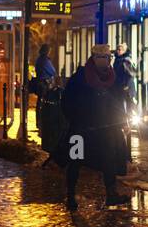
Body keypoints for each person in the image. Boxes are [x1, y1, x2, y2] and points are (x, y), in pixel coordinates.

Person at [50, 43, 130, 210]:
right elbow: (67, 101)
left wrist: (121, 120)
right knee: (75, 161)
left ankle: (111, 194)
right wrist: (76, 119)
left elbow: (118, 102)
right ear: (94, 59)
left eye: (108, 57)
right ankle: (70, 196)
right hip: (81, 129)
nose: (106, 61)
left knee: (109, 161)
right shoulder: (80, 77)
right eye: (102, 57)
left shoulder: (113, 78)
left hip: (106, 129)